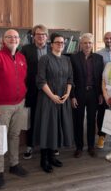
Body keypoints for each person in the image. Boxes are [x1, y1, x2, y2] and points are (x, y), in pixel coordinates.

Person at [0, 29, 28, 189]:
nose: (13, 39)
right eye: (9, 37)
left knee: (15, 135)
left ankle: (14, 164)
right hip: (2, 106)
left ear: (19, 40)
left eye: (15, 37)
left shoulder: (21, 58)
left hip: (20, 103)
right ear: (2, 41)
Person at [33, 33, 73, 173]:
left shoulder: (67, 60)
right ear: (51, 44)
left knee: (56, 128)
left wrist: (67, 94)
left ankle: (52, 156)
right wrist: (52, 96)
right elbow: (41, 81)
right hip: (47, 99)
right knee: (47, 128)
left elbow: (70, 79)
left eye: (62, 42)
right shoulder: (44, 59)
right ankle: (44, 159)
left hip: (62, 99)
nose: (60, 44)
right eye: (57, 42)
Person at [70, 33, 104, 158]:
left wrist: (100, 94)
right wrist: (72, 96)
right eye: (85, 43)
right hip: (78, 94)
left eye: (90, 42)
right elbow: (71, 78)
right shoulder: (73, 58)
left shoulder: (98, 58)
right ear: (81, 44)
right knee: (78, 120)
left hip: (93, 94)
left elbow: (100, 78)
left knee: (91, 120)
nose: (87, 45)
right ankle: (79, 147)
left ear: (92, 44)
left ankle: (91, 146)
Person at [21, 24, 52, 159]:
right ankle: (30, 145)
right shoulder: (25, 49)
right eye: (38, 34)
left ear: (47, 37)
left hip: (50, 90)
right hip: (32, 90)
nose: (41, 37)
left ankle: (51, 144)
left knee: (50, 117)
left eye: (43, 34)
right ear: (33, 36)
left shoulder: (52, 49)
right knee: (32, 118)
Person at [96, 32, 111, 149]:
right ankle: (101, 136)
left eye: (110, 38)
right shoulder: (98, 54)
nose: (108, 40)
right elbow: (97, 75)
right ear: (103, 40)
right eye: (106, 38)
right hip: (103, 88)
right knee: (101, 113)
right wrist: (100, 93)